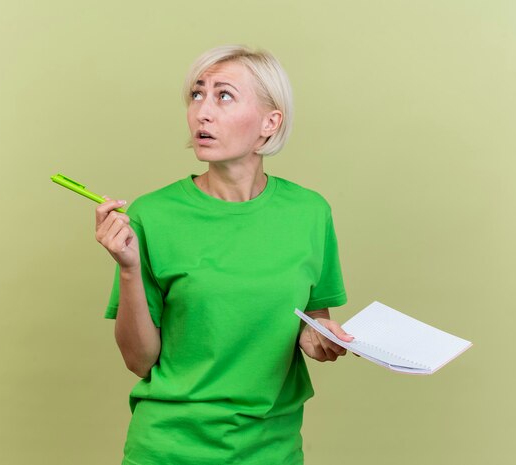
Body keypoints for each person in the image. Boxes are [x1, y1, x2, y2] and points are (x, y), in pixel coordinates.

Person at [95, 45, 354, 465]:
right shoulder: (152, 214)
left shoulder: (310, 212)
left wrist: (315, 336)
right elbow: (139, 361)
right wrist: (128, 269)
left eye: (224, 96)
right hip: (168, 448)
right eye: (197, 95)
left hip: (273, 448)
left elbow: (314, 319)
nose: (202, 112)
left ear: (270, 123)